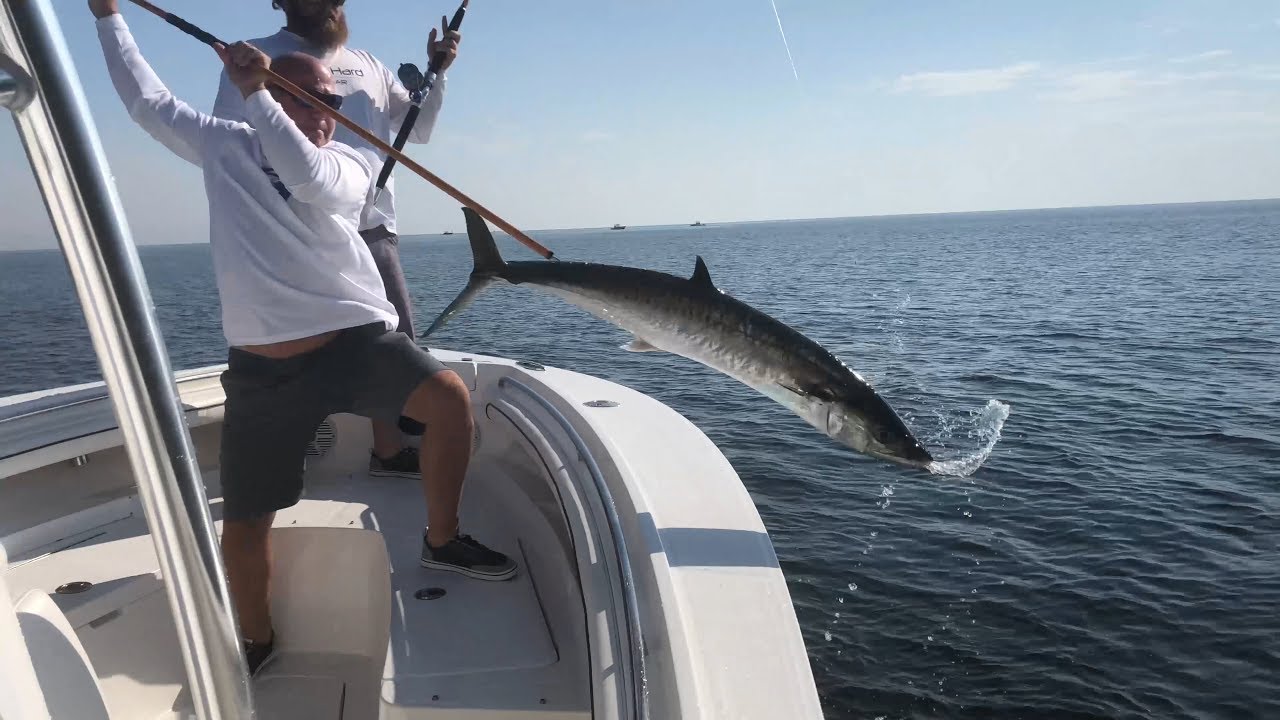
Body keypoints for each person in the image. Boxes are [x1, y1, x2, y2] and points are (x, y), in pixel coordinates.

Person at [89, 0, 516, 677]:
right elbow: (145, 99)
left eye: (330, 98)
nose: (325, 110)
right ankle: (254, 642)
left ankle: (442, 537)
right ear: (270, 93)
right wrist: (108, 15)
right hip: (263, 371)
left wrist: (262, 94)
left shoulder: (346, 162)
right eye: (307, 97)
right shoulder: (222, 142)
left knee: (450, 403)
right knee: (247, 521)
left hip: (352, 341)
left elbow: (304, 176)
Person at [212, 0, 461, 479]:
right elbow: (233, 139)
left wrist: (437, 72)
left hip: (371, 224)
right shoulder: (255, 58)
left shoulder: (370, 66)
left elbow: (419, 128)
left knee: (390, 337)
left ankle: (387, 450)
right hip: (294, 226)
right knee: (297, 335)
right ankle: (301, 430)